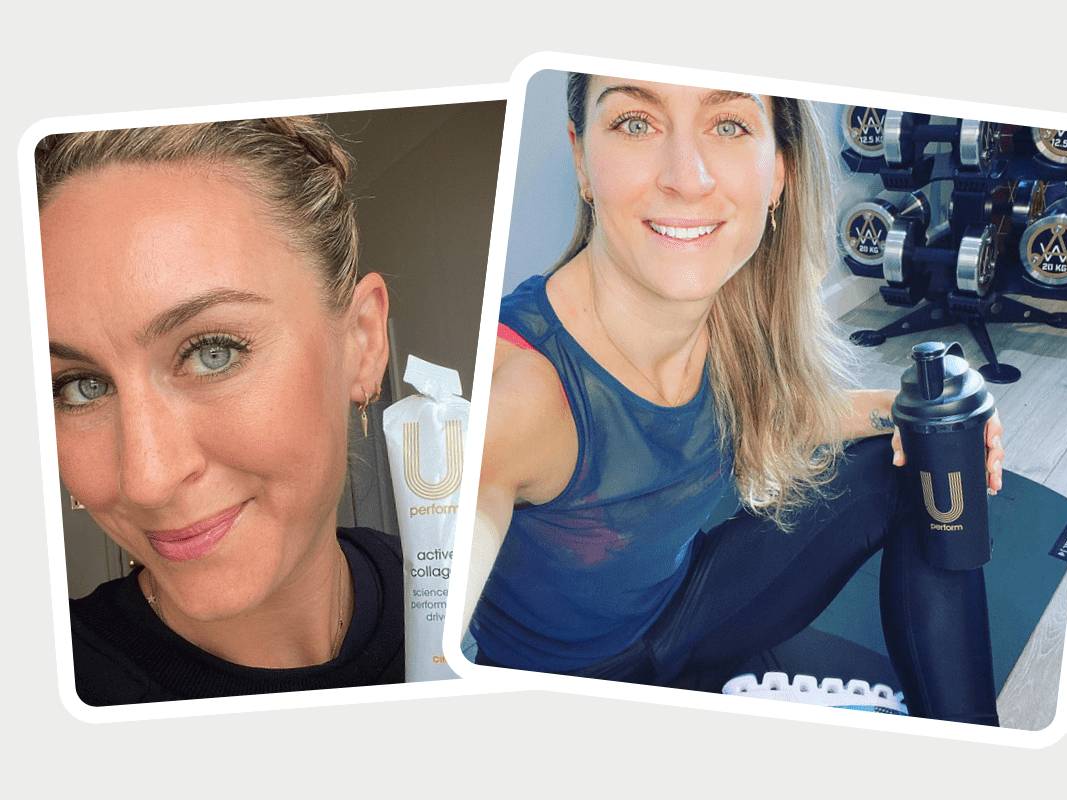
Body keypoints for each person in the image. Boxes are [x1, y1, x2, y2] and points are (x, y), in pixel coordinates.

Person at [467, 74, 1005, 725]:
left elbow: (779, 417)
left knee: (918, 459)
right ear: (582, 159)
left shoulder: (723, 311)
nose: (687, 178)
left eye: (728, 125)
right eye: (636, 122)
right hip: (567, 691)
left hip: (686, 611)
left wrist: (923, 407)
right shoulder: (517, 386)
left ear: (778, 171)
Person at [39, 118, 404, 705]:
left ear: (361, 344)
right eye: (80, 386)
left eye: (214, 353)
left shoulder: (481, 610)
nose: (147, 479)